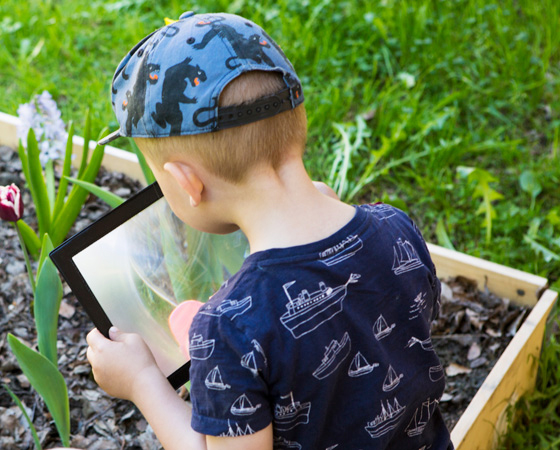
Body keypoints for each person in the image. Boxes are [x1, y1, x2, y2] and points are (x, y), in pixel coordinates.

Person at [86, 11, 452, 450]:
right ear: (300, 121)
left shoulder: (229, 327)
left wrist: (143, 381)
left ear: (186, 182)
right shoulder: (395, 228)